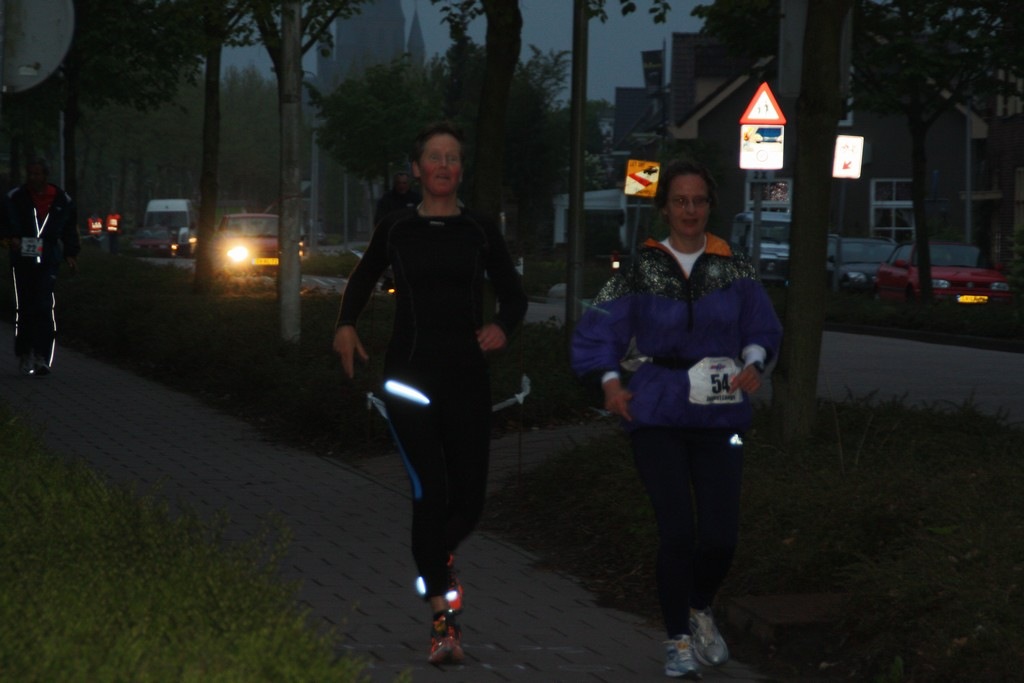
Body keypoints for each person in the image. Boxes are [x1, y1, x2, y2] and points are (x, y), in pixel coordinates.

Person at [570, 160, 782, 679]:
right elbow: (598, 330)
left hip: (720, 416)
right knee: (678, 534)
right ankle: (677, 641)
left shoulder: (733, 267)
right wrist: (610, 382)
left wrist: (754, 362)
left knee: (721, 538)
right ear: (664, 208)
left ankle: (699, 606)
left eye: (699, 201)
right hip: (658, 412)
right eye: (680, 201)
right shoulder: (640, 270)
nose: (690, 210)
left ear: (710, 206)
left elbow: (761, 326)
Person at [332, 121, 528, 665]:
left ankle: (436, 563)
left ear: (460, 170)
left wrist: (502, 327)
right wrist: (345, 325)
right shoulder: (396, 228)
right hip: (409, 381)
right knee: (430, 493)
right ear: (416, 169)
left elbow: (514, 297)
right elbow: (362, 278)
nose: (444, 166)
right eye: (434, 158)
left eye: (453, 158)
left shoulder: (479, 230)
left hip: (467, 380)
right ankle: (444, 621)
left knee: (470, 502)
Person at [2, 158, 80, 376]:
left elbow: (69, 228)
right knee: (26, 305)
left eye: (38, 174)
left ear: (46, 176)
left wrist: (71, 253)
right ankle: (25, 352)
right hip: (24, 255)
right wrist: (11, 237)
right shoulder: (15, 197)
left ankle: (42, 356)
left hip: (48, 256)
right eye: (31, 174)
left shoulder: (62, 199)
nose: (34, 178)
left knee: (44, 306)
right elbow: (5, 221)